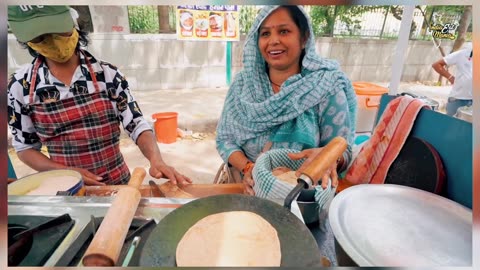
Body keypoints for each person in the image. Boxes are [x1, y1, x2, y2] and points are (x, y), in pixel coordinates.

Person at [7, 5, 191, 186]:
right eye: (40, 38)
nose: (53, 42)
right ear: (28, 41)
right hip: (67, 191)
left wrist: (156, 160)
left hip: (118, 185)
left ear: (73, 22)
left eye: (58, 32)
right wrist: (68, 174)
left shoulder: (108, 75)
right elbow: (25, 148)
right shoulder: (19, 88)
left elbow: (136, 124)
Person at [215, 5, 357, 196]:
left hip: (302, 196)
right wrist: (249, 168)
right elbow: (225, 139)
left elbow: (343, 150)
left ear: (304, 37)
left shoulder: (325, 86)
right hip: (247, 190)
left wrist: (328, 158)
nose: (273, 41)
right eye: (265, 34)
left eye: (284, 31)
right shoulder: (243, 85)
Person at [432, 46, 473, 116]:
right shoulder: (462, 54)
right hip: (458, 100)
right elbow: (436, 65)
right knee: (451, 125)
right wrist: (450, 78)